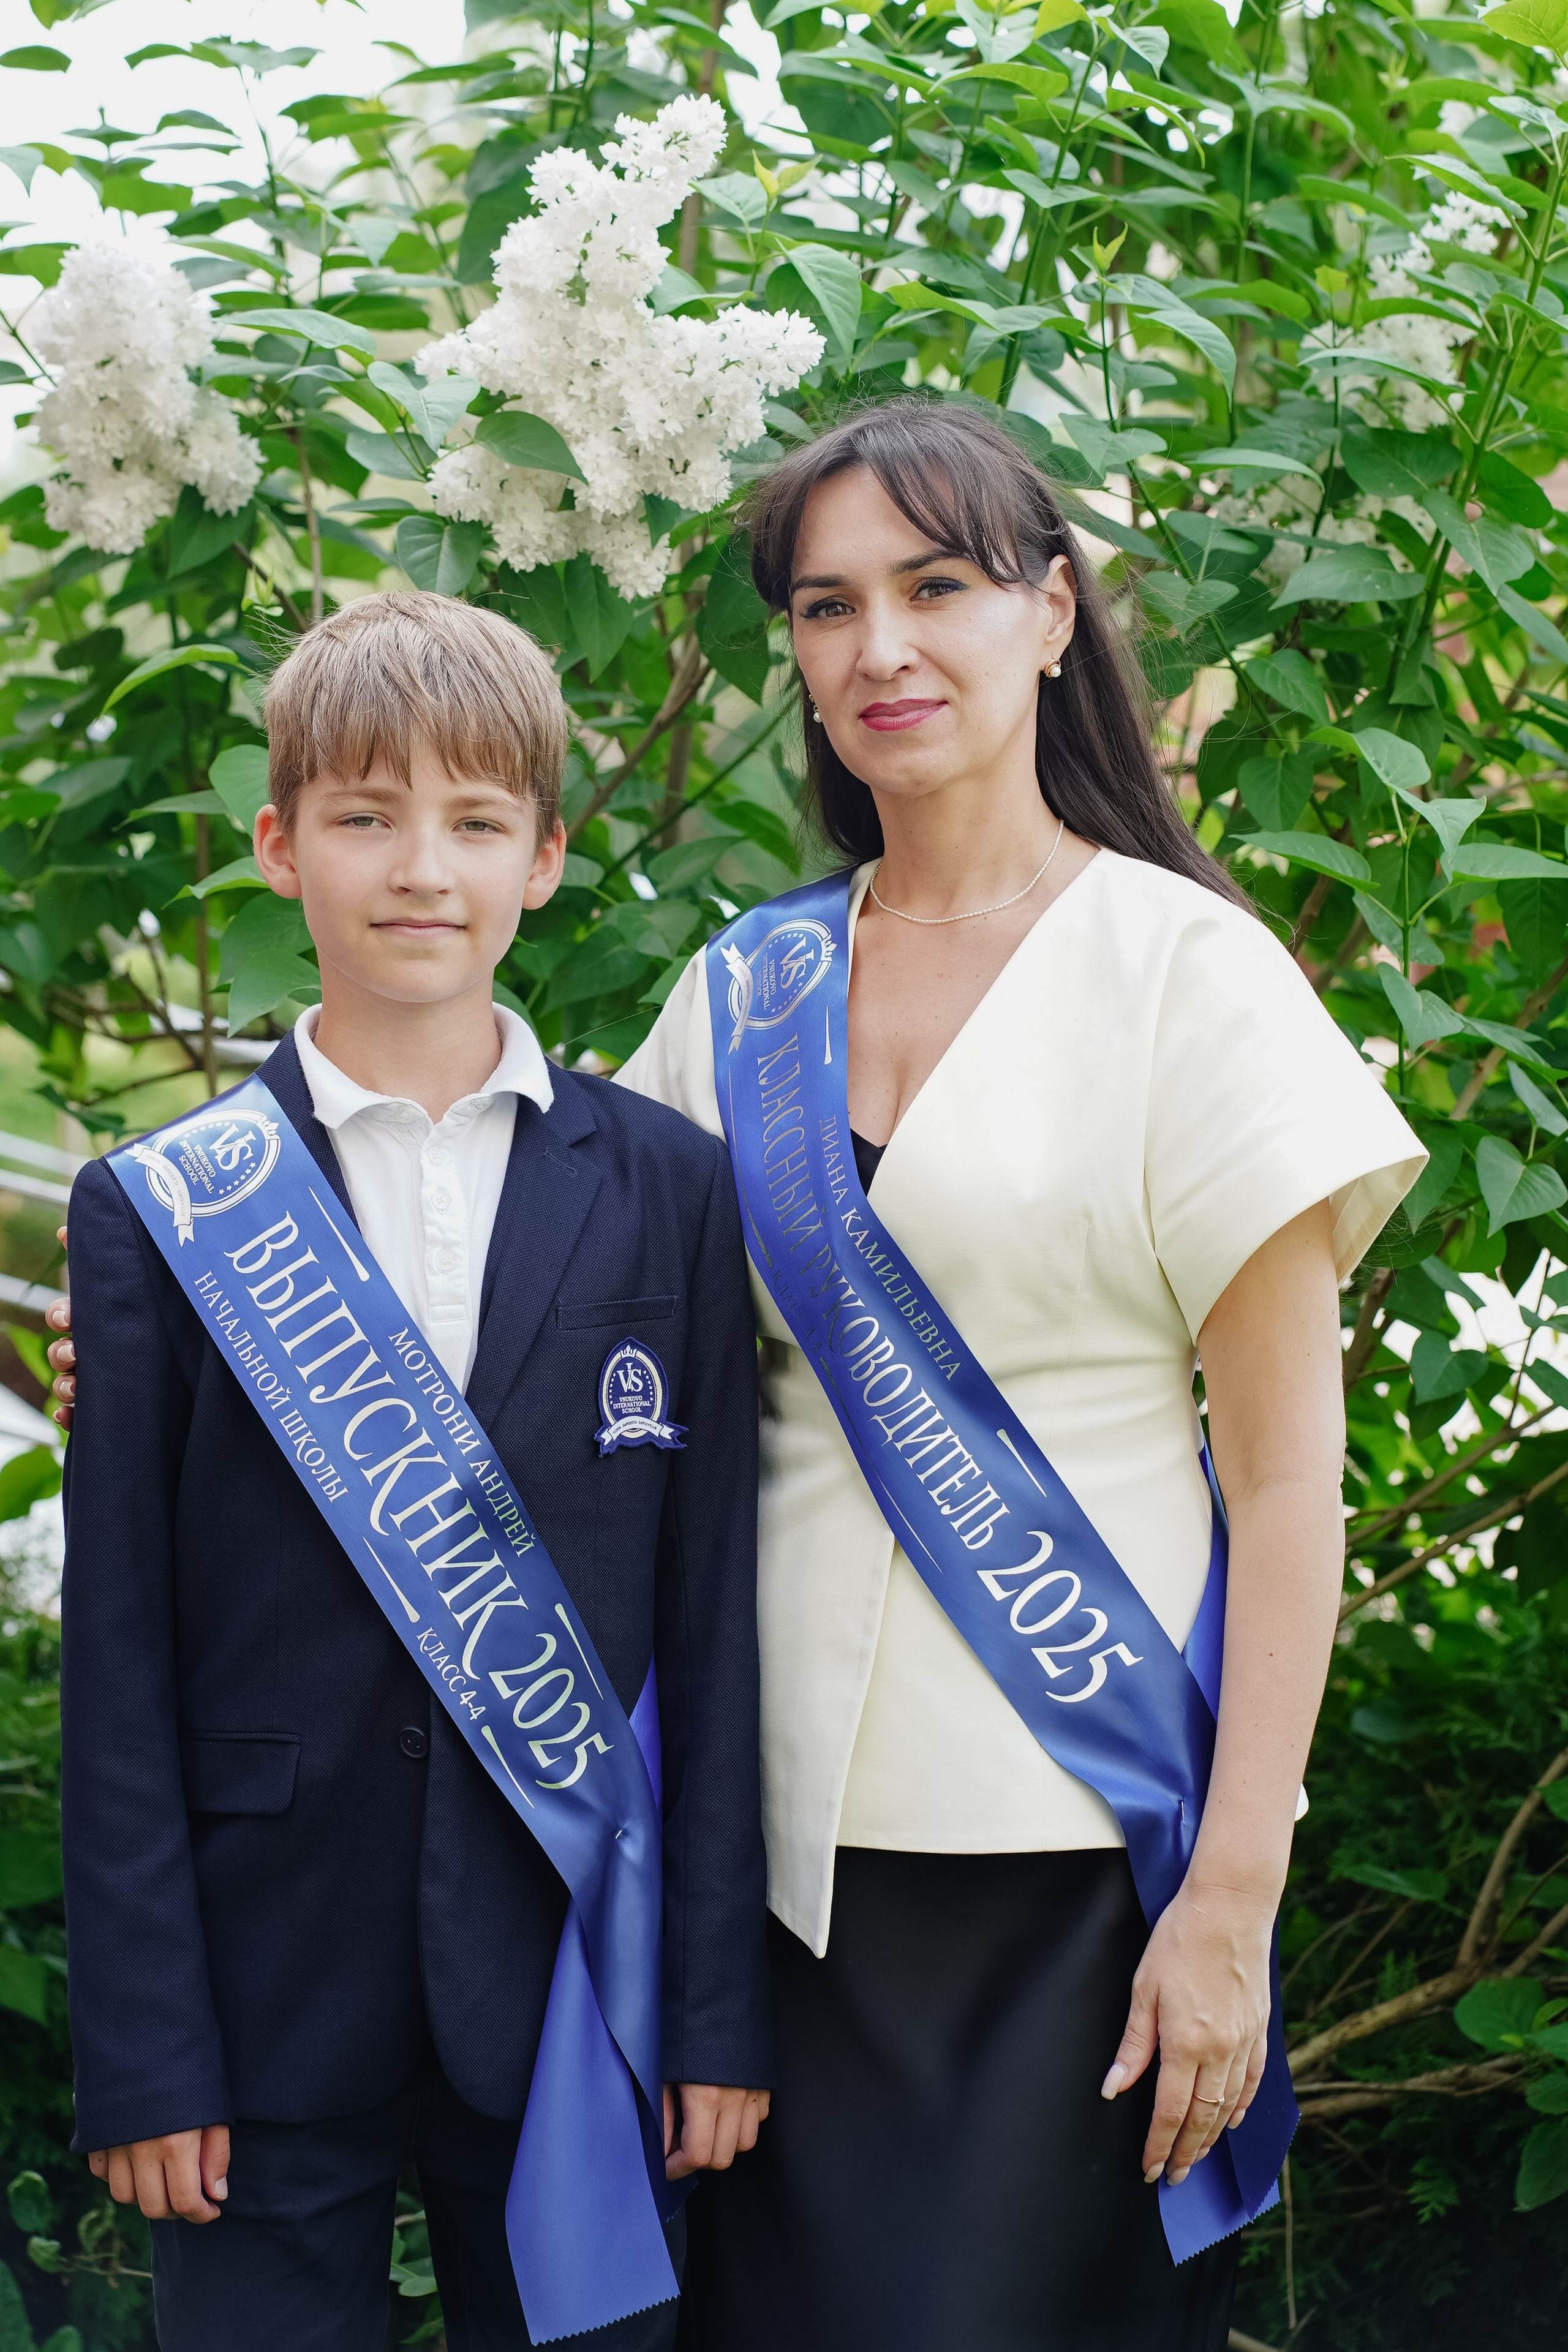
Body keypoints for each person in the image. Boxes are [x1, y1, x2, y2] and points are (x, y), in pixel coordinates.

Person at [611, 399, 1427, 2351]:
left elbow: (1286, 1485)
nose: (880, 649)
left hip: (1077, 1872)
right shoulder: (743, 992)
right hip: (772, 1879)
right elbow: (608, 1371)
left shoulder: (1187, 976)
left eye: (938, 587)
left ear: (1054, 614)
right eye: (827, 607)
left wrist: (1230, 1899)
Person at [53, 591, 771, 2352]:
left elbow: (716, 1623)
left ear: (544, 859)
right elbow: (122, 1662)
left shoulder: (669, 1187)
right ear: (279, 846)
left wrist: (712, 2015)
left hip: (572, 1995)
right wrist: (145, 2047)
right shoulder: (163, 1205)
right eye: (366, 817)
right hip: (257, 1989)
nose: (420, 867)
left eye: (475, 820)